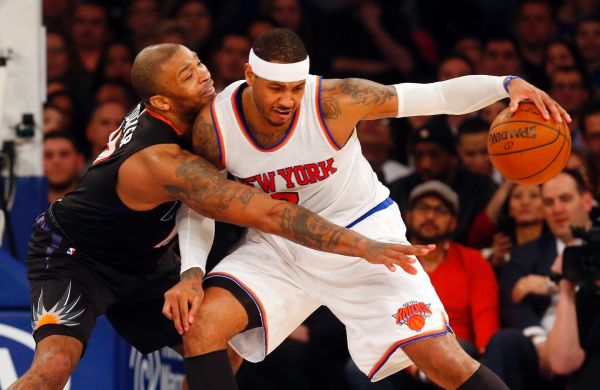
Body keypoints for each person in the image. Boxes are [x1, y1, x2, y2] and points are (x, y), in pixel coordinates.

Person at [8, 43, 425, 390]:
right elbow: (270, 214)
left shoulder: (199, 113)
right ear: (160, 101)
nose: (204, 75)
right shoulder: (160, 159)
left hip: (147, 256)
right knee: (54, 366)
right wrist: (360, 244)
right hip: (75, 257)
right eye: (188, 76)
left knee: (218, 336)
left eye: (198, 63)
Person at [179, 28, 569, 390]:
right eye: (276, 88)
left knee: (443, 362)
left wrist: (506, 84)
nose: (287, 100)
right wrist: (192, 272)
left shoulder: (335, 101)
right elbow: (199, 202)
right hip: (280, 246)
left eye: (296, 88)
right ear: (249, 74)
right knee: (203, 329)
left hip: (366, 236)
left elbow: (439, 96)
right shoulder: (215, 126)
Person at [484, 170, 594, 390]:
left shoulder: (597, 245)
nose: (557, 209)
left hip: (589, 342)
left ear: (587, 201)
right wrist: (540, 340)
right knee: (505, 342)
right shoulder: (526, 253)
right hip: (540, 349)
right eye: (549, 202)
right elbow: (512, 299)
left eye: (565, 199)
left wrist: (550, 284)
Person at [43, 131, 85, 205]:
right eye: (48, 155)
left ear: (79, 160)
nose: (56, 161)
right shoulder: (21, 202)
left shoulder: (97, 204)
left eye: (64, 154)